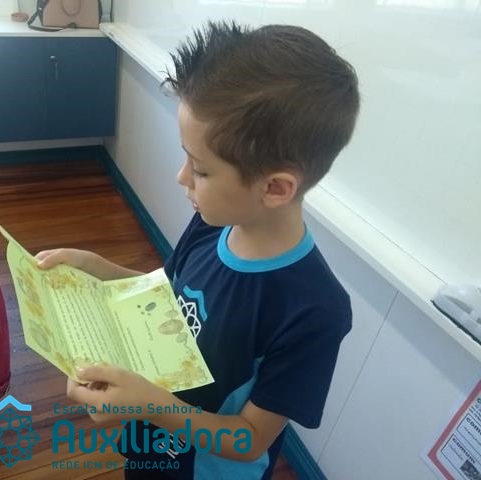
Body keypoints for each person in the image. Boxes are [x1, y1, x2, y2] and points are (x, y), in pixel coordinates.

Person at [36, 20, 359, 480]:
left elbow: (249, 440)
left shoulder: (314, 309)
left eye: (201, 170)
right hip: (152, 447)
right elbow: (168, 299)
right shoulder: (212, 225)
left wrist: (149, 403)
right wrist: (99, 270)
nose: (181, 177)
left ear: (274, 188)